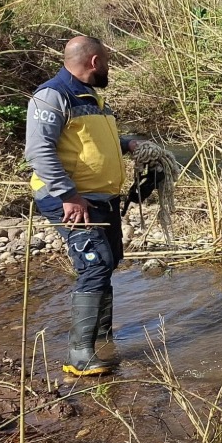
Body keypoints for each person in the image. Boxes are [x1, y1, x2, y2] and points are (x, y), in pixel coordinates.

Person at [25, 36, 138, 376]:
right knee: (95, 265)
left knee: (109, 261)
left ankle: (102, 340)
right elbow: (39, 150)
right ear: (94, 62)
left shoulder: (92, 98)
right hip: (70, 199)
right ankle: (79, 355)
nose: (108, 69)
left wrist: (129, 144)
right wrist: (68, 196)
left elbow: (92, 142)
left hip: (100, 198)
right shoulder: (52, 95)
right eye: (107, 62)